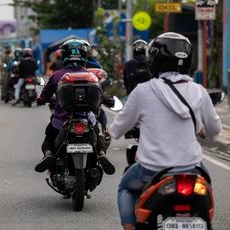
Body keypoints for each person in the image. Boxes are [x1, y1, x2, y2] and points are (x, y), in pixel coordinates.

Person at [106, 32, 222, 230]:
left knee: (125, 187)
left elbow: (117, 129)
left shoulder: (143, 91)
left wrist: (109, 132)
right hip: (190, 167)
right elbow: (215, 131)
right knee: (207, 187)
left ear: (155, 59)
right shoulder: (199, 91)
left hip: (151, 169)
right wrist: (201, 128)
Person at [34, 39, 115, 175]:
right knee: (97, 133)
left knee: (49, 137)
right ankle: (101, 154)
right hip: (87, 119)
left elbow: (44, 96)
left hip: (62, 119)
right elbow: (100, 95)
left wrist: (41, 100)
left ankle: (48, 155)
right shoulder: (91, 76)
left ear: (65, 55)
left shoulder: (56, 75)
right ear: (84, 55)